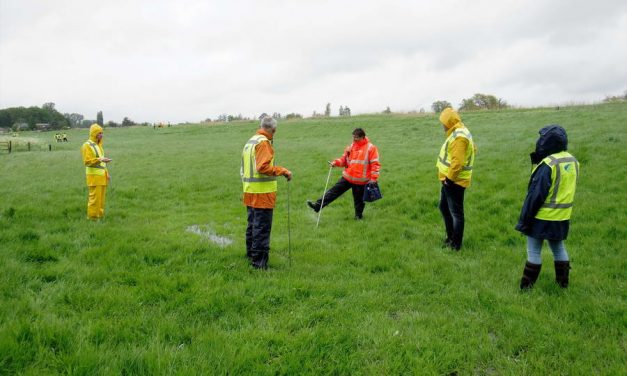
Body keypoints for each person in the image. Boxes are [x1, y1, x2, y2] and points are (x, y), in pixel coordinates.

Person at [516, 125, 579, 289]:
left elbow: (535, 196)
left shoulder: (548, 164)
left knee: (534, 251)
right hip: (562, 216)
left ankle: (526, 288)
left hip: (542, 216)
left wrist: (524, 221)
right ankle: (562, 284)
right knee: (558, 248)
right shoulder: (572, 161)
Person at [241, 116, 292, 269]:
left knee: (252, 225)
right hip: (262, 193)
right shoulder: (263, 143)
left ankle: (250, 254)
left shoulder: (251, 142)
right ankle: (259, 264)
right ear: (273, 129)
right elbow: (262, 167)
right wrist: (283, 171)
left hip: (249, 190)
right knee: (261, 228)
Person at [307, 128, 380, 220]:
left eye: (356, 138)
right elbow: (344, 160)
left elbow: (375, 164)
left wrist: (374, 178)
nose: (354, 139)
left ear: (363, 137)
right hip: (348, 177)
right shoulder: (351, 147)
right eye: (353, 137)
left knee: (359, 200)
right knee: (333, 191)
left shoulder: (371, 148)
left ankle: (358, 217)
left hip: (361, 180)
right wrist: (335, 163)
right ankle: (317, 205)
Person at [436, 107, 476, 251]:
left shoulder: (459, 137)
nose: (442, 125)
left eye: (444, 123)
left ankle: (455, 244)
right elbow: (473, 149)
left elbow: (457, 162)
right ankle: (450, 237)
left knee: (456, 213)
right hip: (450, 180)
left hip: (454, 181)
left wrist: (449, 180)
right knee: (444, 207)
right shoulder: (459, 131)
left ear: (449, 122)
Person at [81, 124, 111, 220]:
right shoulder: (87, 145)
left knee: (101, 199)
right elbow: (87, 162)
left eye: (102, 133)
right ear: (94, 134)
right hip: (94, 177)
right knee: (94, 199)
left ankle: (100, 216)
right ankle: (93, 218)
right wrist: (101, 159)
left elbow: (101, 163)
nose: (101, 135)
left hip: (102, 177)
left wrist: (107, 173)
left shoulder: (99, 145)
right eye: (99, 133)